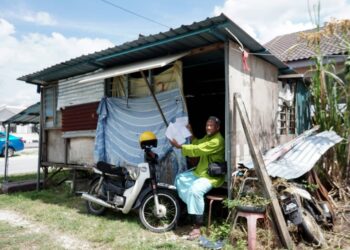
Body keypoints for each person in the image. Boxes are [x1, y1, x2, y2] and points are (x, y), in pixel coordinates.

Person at [170, 116, 225, 240]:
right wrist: (190, 133)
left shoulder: (217, 140)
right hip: (200, 172)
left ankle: (197, 226)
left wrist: (180, 147)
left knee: (195, 190)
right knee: (180, 179)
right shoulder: (208, 137)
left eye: (211, 125)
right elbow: (197, 143)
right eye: (207, 125)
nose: (208, 127)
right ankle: (191, 209)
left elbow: (198, 149)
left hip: (211, 176)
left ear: (218, 127)